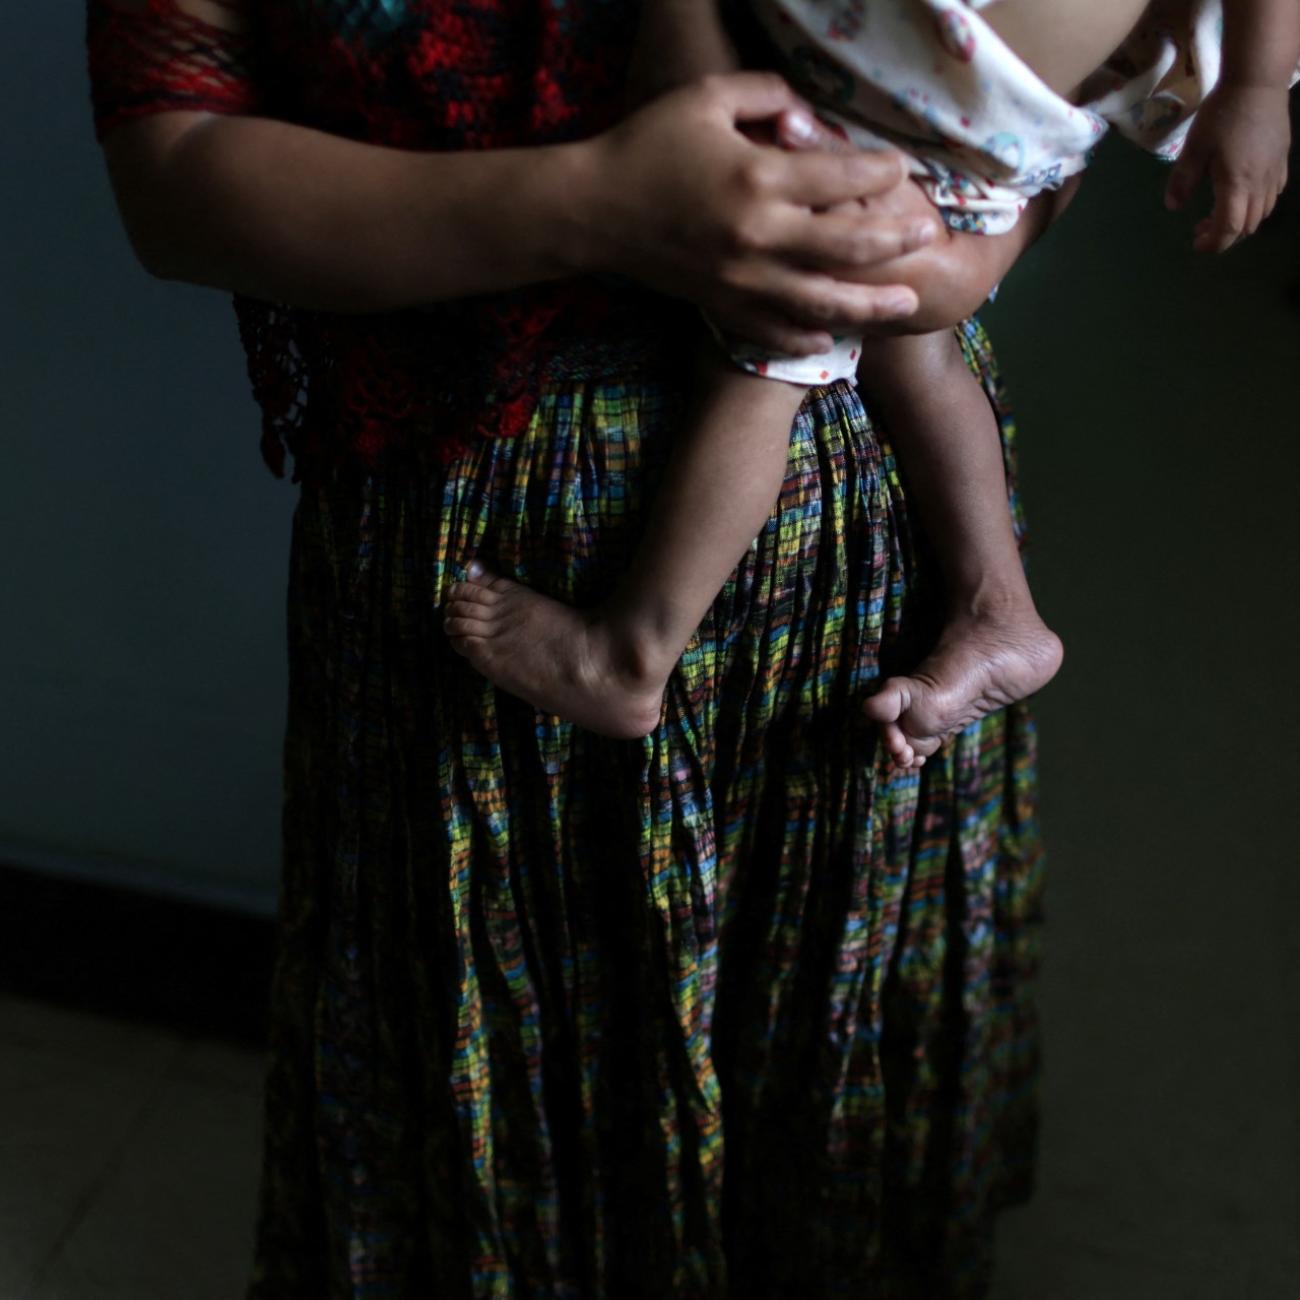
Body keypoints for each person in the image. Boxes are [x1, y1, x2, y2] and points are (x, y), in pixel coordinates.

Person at [86, 0, 1066, 1295]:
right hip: (483, 522)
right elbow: (178, 181)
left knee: (821, 1093)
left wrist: (981, 217)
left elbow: (1038, 54)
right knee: (516, 1077)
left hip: (861, 526)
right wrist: (599, 201)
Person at [444, 0, 1299, 769]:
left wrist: (1258, 87)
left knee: (769, 349)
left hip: (926, 79)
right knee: (912, 344)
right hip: (956, 93)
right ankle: (999, 610)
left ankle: (634, 651)